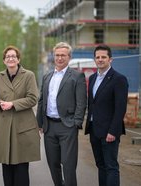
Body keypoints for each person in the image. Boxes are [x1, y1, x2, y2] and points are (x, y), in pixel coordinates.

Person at [0, 45, 40, 186]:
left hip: (22, 126)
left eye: (13, 56)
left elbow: (33, 98)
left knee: (21, 166)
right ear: (4, 60)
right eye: (8, 56)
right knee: (6, 164)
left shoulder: (29, 75)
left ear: (18, 59)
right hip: (4, 125)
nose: (11, 59)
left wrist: (13, 104)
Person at [36, 42, 87, 186]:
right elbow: (41, 100)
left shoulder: (77, 76)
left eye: (63, 55)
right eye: (57, 55)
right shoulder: (47, 76)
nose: (59, 58)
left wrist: (76, 123)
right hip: (49, 127)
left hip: (67, 126)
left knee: (68, 165)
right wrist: (39, 122)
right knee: (53, 164)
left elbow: (82, 102)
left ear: (69, 57)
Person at [85, 44, 128, 186]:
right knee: (100, 165)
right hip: (94, 130)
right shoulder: (92, 79)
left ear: (110, 59)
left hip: (109, 131)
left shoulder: (119, 79)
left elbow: (120, 108)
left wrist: (113, 131)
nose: (100, 59)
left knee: (111, 166)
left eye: (103, 57)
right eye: (97, 57)